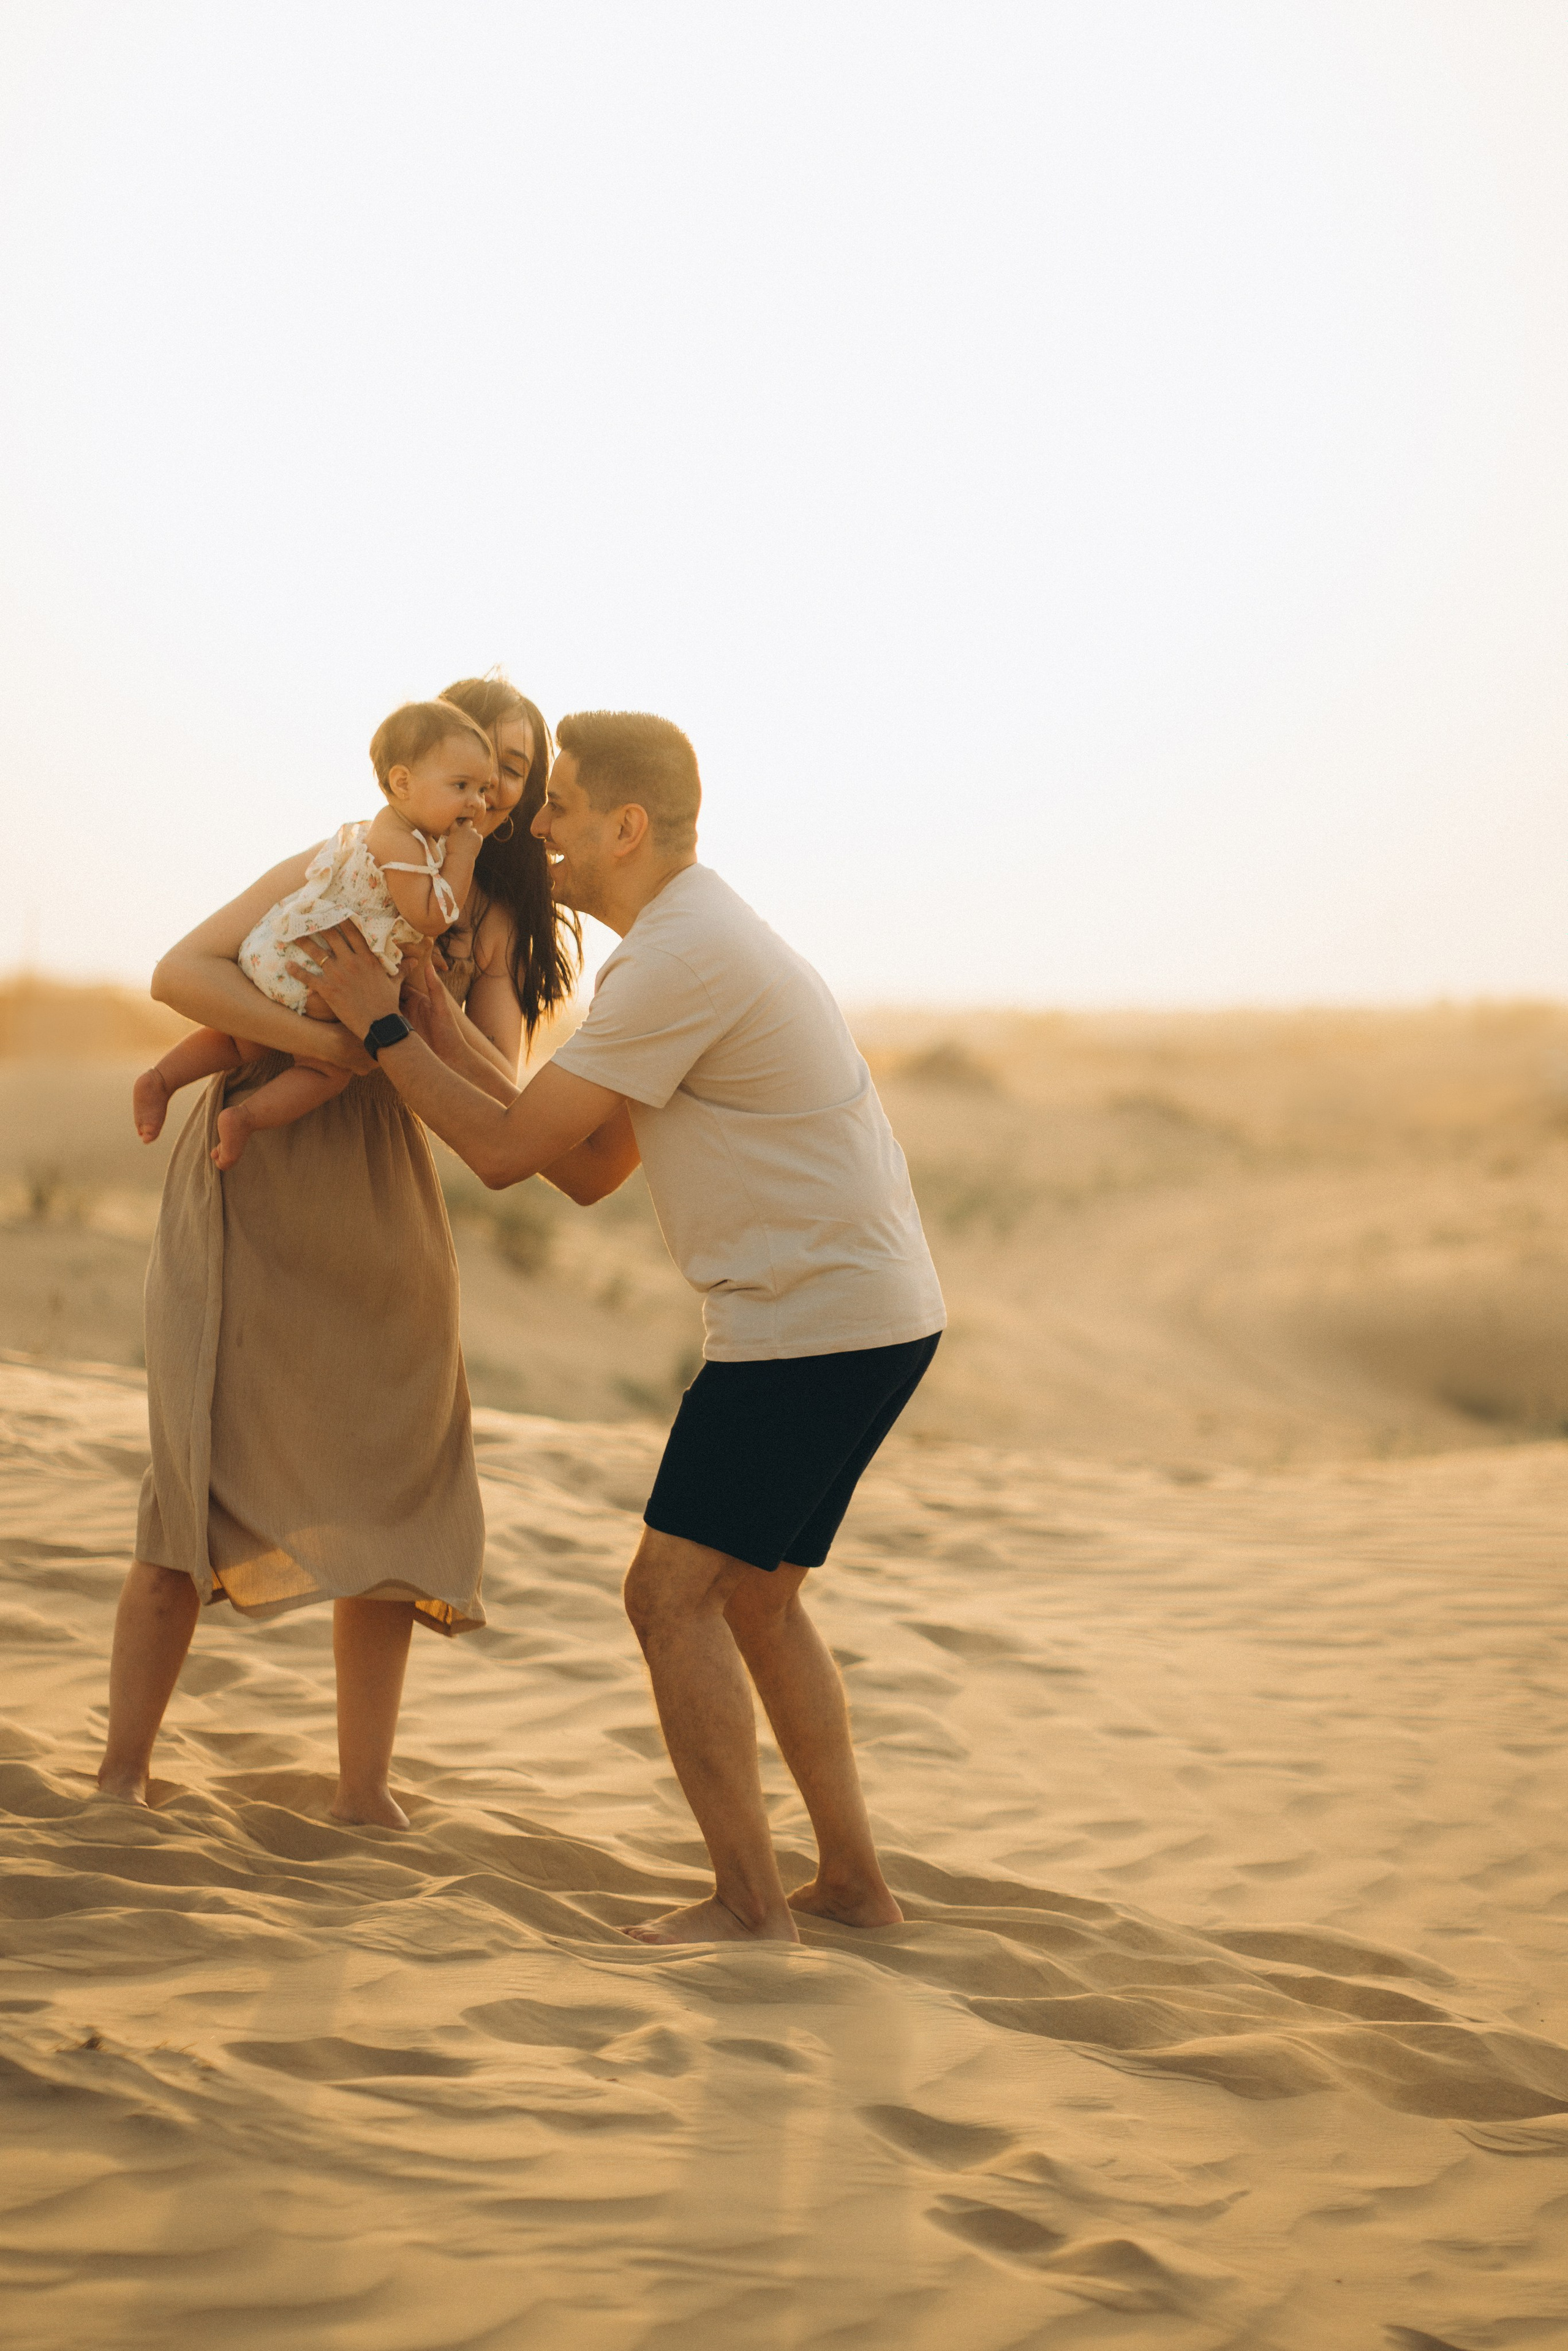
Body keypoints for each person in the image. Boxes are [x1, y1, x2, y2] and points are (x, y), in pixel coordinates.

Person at [299, 709, 946, 1940]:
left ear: (627, 825)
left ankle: (748, 1906)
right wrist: (436, 1022)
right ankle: (853, 1887)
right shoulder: (689, 942)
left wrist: (378, 1026)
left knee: (668, 1595)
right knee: (755, 1598)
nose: (537, 826)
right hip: (869, 1312)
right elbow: (588, 1163)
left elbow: (503, 1154)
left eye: (560, 805)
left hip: (809, 1322)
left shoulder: (676, 960)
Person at [95, 674, 579, 1828]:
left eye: (515, 769)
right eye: (477, 758)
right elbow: (181, 973)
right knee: (191, 1469)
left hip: (379, 1196)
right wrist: (331, 1033)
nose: (491, 785)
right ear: (425, 768)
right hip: (249, 1171)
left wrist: (408, 1019)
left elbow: (508, 1097)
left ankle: (364, 1790)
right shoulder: (347, 860)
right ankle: (120, 1772)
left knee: (392, 1476)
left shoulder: (490, 928)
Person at [132, 699, 495, 1168]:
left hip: (285, 951)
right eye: (461, 786)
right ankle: (245, 1118)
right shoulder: (402, 841)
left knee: (244, 1040)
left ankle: (162, 1078)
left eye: (482, 789)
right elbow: (432, 915)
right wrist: (464, 855)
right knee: (330, 1066)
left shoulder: (394, 836)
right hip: (318, 963)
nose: (476, 803)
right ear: (403, 783)